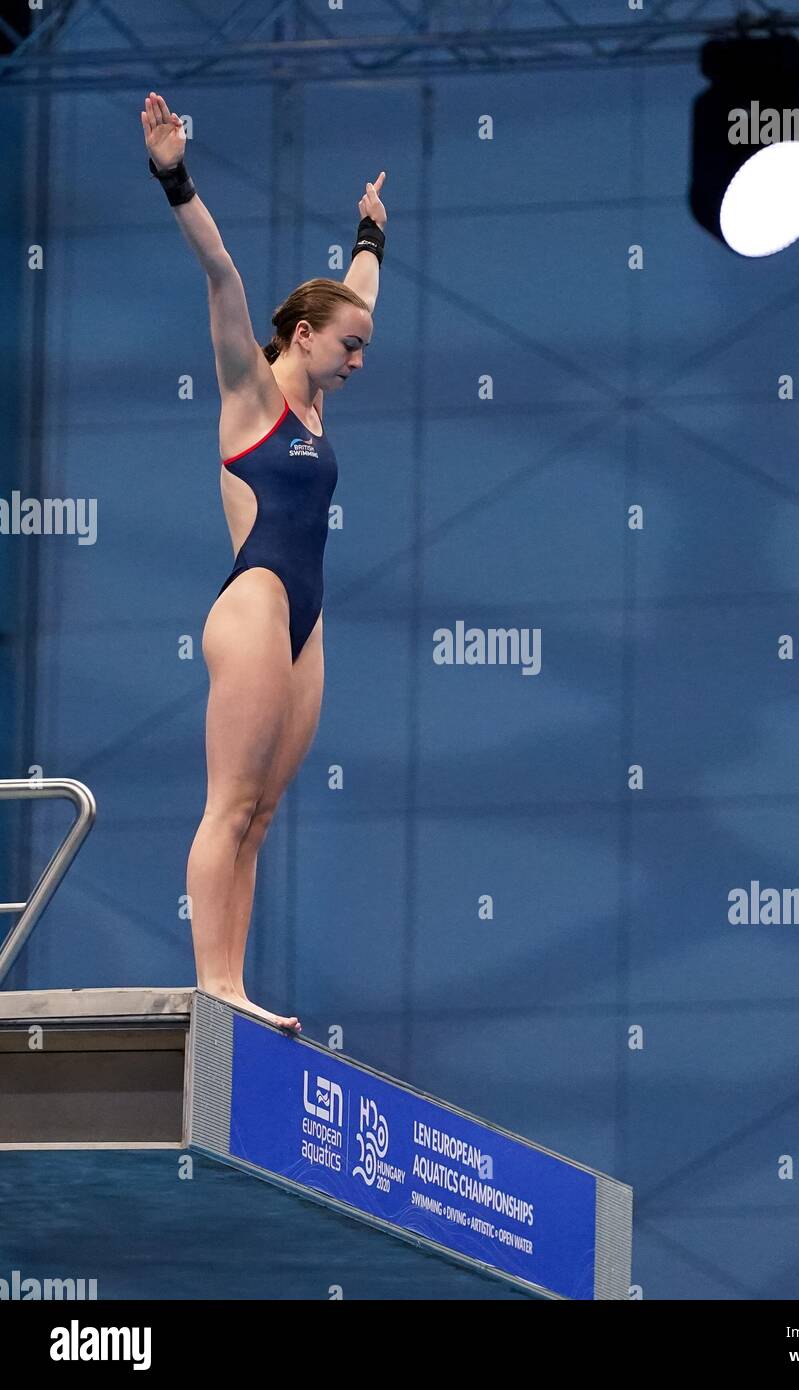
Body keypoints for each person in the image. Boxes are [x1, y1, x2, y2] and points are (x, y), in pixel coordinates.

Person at [141, 90, 387, 1030]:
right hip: (253, 603)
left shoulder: (320, 407)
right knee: (230, 800)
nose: (360, 359)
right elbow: (220, 271)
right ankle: (214, 988)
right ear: (301, 337)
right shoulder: (251, 388)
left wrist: (369, 235)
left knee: (265, 816)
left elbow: (357, 298)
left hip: (305, 617)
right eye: (350, 347)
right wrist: (175, 176)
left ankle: (234, 989)